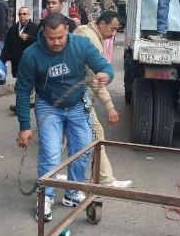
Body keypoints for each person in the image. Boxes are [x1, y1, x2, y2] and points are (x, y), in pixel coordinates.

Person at [16, 12, 113, 222]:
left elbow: (104, 66)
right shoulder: (31, 55)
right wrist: (24, 125)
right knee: (50, 153)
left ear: (67, 30)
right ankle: (46, 196)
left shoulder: (82, 45)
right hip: (48, 105)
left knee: (81, 151)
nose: (57, 42)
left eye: (60, 37)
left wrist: (106, 74)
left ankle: (73, 192)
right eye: (51, 38)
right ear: (43, 33)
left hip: (78, 104)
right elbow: (22, 91)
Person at [76, 11, 133, 188]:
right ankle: (104, 179)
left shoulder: (84, 31)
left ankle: (48, 177)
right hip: (74, 95)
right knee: (96, 134)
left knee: (59, 140)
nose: (114, 33)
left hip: (63, 93)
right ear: (101, 24)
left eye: (117, 30)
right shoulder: (91, 40)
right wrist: (110, 107)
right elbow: (95, 79)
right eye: (113, 28)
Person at [1, 5, 38, 113]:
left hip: (30, 61)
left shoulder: (35, 28)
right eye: (20, 14)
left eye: (24, 14)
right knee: (21, 83)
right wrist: (3, 58)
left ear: (29, 15)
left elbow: (40, 41)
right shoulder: (13, 29)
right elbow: (7, 44)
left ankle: (22, 105)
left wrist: (29, 37)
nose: (22, 16)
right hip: (17, 60)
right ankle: (27, 102)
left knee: (24, 84)